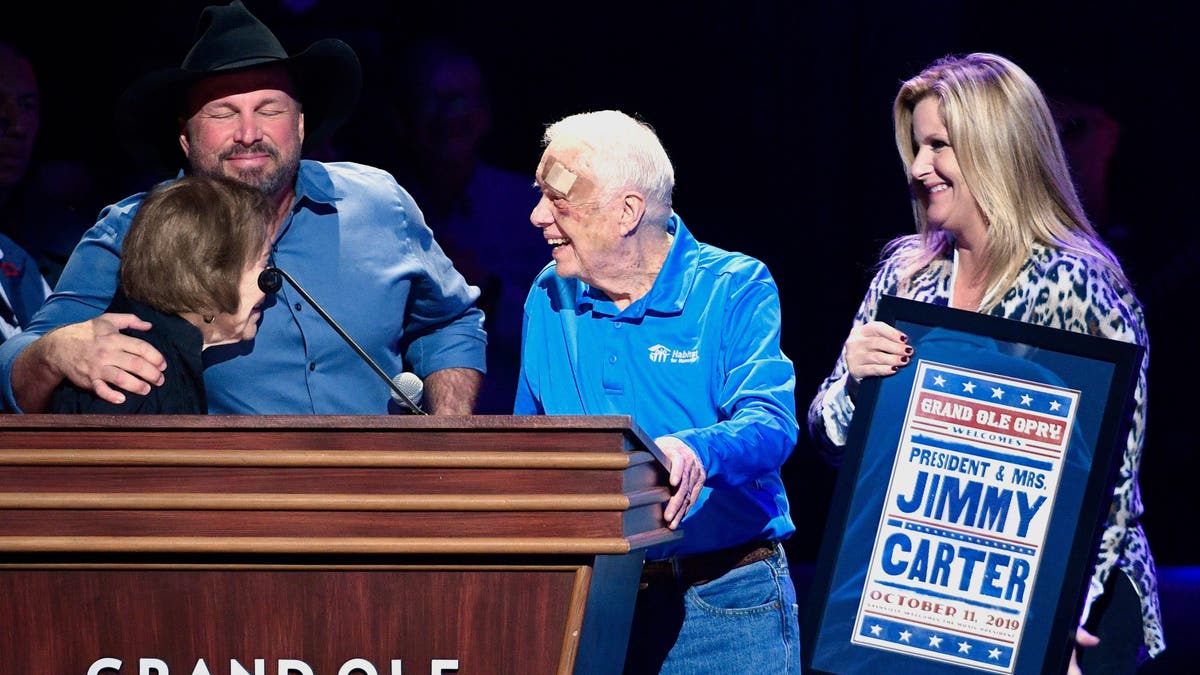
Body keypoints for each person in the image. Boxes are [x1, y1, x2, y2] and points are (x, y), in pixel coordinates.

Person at [807, 53, 1163, 673]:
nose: (919, 169)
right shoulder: (907, 275)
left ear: (996, 149)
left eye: (938, 146)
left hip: (1076, 608)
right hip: (929, 600)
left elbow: (1110, 483)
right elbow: (834, 443)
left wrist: (1058, 623)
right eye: (917, 148)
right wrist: (854, 382)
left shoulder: (1081, 284)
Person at [0, 1, 486, 415]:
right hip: (220, 507)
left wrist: (447, 433)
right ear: (185, 137)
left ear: (299, 125)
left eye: (269, 109)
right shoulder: (134, 231)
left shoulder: (378, 203)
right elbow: (19, 361)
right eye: (223, 111)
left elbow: (449, 320)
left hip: (383, 497)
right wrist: (55, 353)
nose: (249, 133)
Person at [515, 110, 801, 674]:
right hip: (592, 605)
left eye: (559, 199)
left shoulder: (733, 286)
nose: (537, 216)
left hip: (724, 605)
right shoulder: (550, 297)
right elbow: (530, 451)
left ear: (627, 212)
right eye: (539, 195)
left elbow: (771, 423)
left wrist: (697, 450)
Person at [382, 37, 543, 414]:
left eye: (461, 100)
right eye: (431, 101)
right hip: (404, 423)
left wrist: (487, 287)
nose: (447, 115)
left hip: (508, 420)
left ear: (485, 113)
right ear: (404, 117)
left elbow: (566, 328)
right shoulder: (381, 206)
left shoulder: (531, 208)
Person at [49, 175, 270, 413]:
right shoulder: (139, 378)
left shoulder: (162, 352)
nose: (271, 283)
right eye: (263, 265)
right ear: (209, 277)